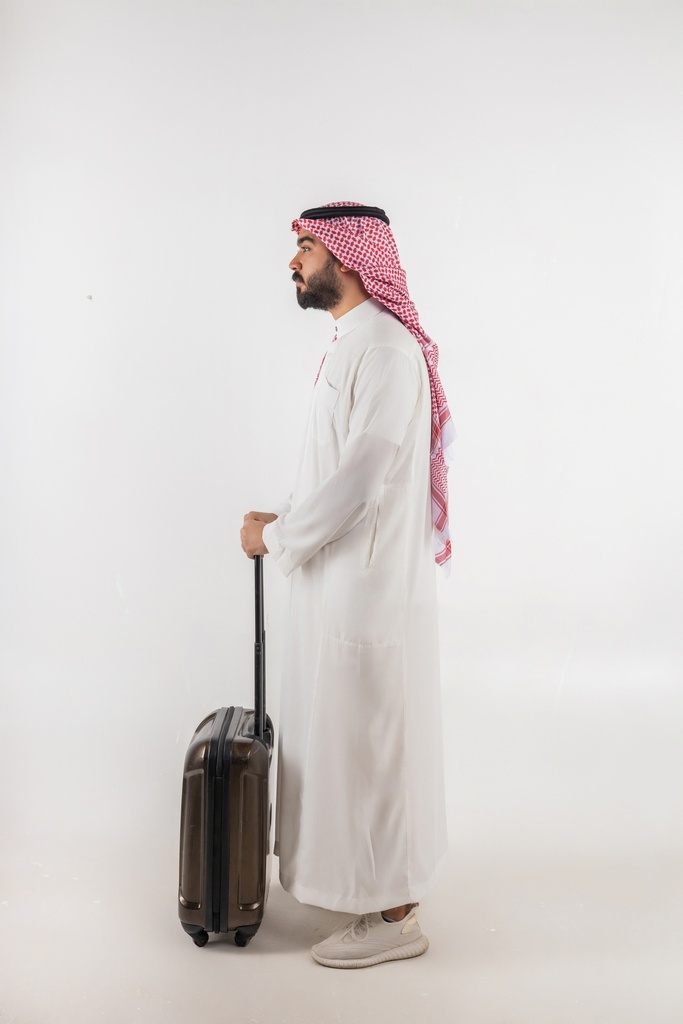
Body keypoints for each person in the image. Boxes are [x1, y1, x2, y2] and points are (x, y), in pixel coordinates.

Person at [240, 201, 455, 969]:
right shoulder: (351, 344)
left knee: (371, 744)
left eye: (304, 248)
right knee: (345, 741)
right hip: (337, 588)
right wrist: (287, 512)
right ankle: (363, 893)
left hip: (365, 596)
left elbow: (362, 480)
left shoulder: (388, 351)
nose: (293, 264)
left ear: (350, 258)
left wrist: (277, 536)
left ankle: (396, 916)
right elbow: (331, 470)